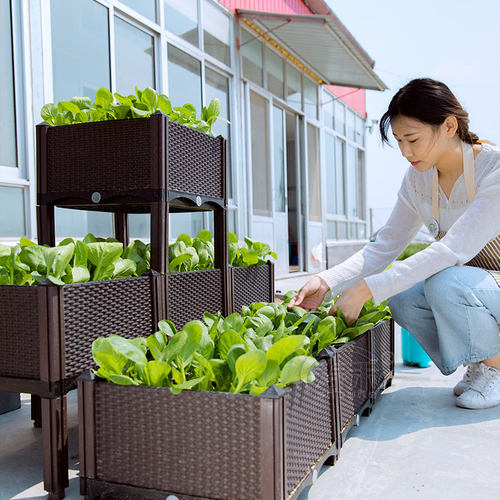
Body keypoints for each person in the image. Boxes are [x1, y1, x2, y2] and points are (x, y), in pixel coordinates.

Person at [288, 78, 500, 410]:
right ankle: (482, 360)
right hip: (476, 286)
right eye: (399, 141)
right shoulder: (418, 179)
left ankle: (496, 366)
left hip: (485, 282)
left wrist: (366, 289)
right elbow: (384, 245)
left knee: (445, 282)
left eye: (412, 139)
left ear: (449, 126)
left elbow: (451, 249)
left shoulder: (493, 168)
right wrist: (326, 281)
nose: (405, 152)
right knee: (402, 297)